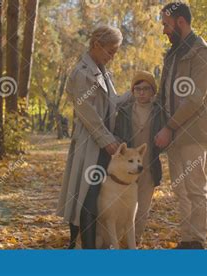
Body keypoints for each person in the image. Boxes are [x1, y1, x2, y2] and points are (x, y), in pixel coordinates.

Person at [56, 25, 130, 249]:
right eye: (110, 51)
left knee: (95, 195)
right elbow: (87, 114)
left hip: (103, 145)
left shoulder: (103, 72)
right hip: (91, 144)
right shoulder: (82, 73)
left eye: (115, 51)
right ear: (96, 45)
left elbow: (112, 103)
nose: (113, 56)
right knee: (86, 196)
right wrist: (107, 140)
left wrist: (135, 93)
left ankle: (88, 246)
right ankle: (81, 247)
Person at [154, 2, 207, 249]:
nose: (164, 31)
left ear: (181, 22)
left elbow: (195, 98)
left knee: (194, 188)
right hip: (172, 132)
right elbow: (163, 95)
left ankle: (197, 242)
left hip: (192, 132)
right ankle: (186, 239)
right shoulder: (173, 54)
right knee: (180, 189)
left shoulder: (203, 53)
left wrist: (169, 127)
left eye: (166, 25)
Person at [113, 71, 164, 245]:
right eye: (138, 89)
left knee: (141, 209)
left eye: (146, 89)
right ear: (133, 91)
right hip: (127, 170)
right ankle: (120, 243)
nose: (141, 92)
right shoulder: (125, 112)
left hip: (149, 168)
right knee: (124, 209)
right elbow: (117, 136)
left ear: (153, 91)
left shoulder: (159, 112)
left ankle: (134, 243)